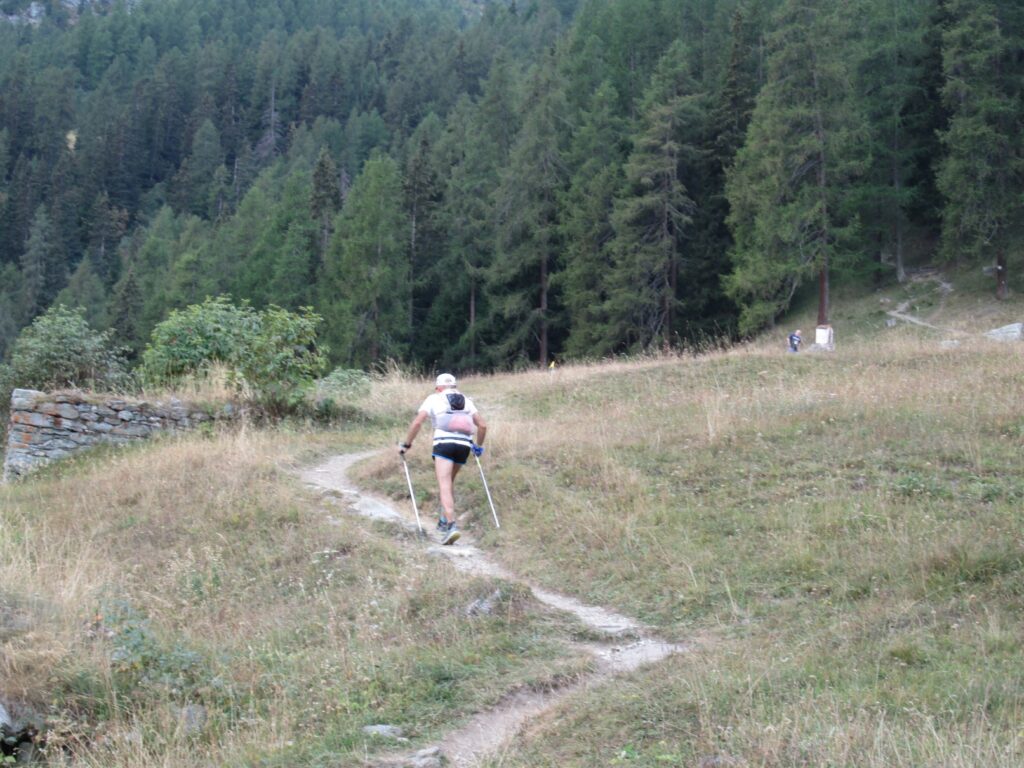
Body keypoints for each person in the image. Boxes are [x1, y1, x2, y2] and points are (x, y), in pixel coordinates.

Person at [398, 373, 487, 545]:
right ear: (454, 386)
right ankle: (443, 520)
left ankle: (451, 526)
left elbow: (417, 423)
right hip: (464, 446)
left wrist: (407, 444)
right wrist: (478, 446)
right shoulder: (466, 400)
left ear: (438, 387)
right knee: (449, 482)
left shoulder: (433, 398)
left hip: (444, 444)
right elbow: (482, 425)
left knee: (444, 484)